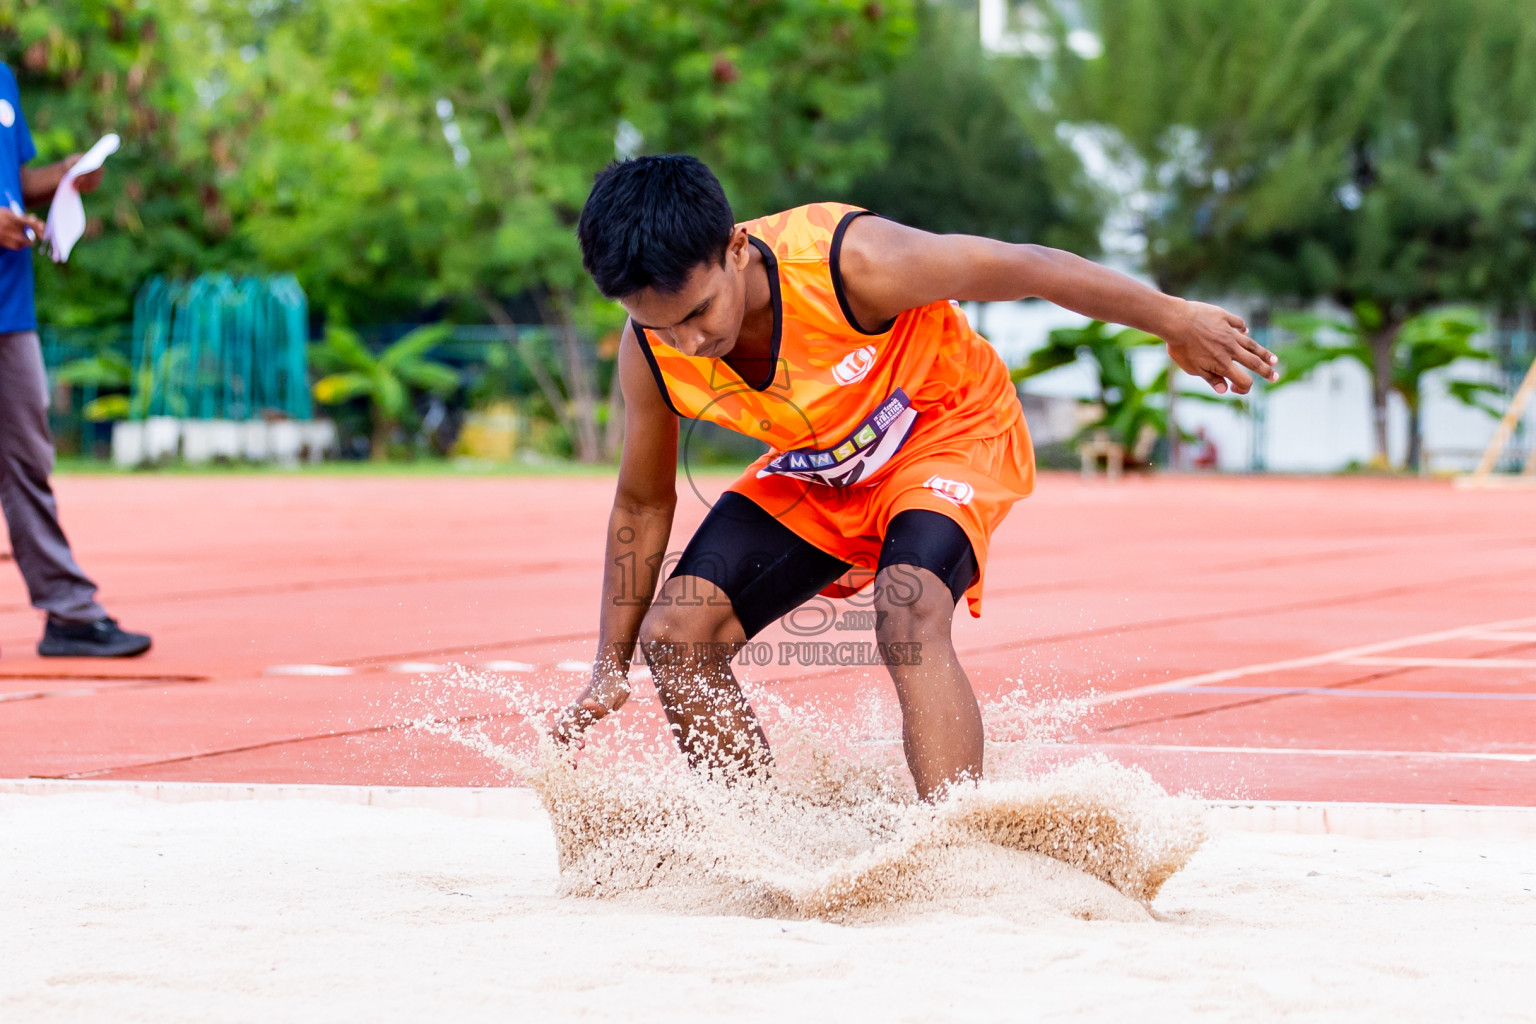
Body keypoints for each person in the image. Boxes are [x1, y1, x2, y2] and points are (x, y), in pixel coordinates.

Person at [553, 155, 1275, 798]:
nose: (690, 342)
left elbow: (1028, 267)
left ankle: (955, 850)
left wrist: (1176, 319)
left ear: (737, 247)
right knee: (677, 638)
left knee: (907, 611)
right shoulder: (649, 353)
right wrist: (607, 667)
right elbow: (645, 500)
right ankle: (763, 842)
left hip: (946, 428)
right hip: (822, 468)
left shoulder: (853, 263)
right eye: (660, 327)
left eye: (698, 312)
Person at [0, 62, 150, 658]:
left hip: (10, 307)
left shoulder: (4, 78)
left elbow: (14, 179)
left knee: (28, 458)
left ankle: (68, 613)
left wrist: (62, 177)